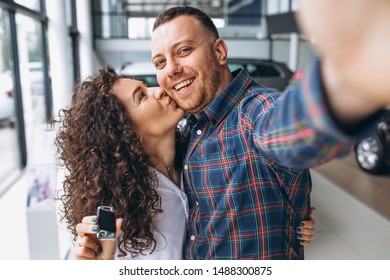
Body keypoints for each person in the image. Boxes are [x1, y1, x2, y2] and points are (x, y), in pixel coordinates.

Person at [150, 4, 389, 259]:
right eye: (160, 62)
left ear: (219, 51)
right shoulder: (190, 128)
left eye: (184, 50)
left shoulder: (257, 111)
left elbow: (290, 130)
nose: (172, 69)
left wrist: (355, 72)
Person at [51, 67, 316, 260]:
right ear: (123, 130)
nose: (158, 90)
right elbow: (98, 254)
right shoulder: (115, 203)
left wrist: (292, 222)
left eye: (146, 85)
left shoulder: (195, 154)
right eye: (141, 96)